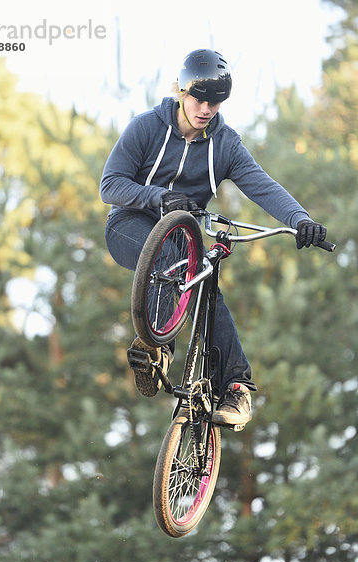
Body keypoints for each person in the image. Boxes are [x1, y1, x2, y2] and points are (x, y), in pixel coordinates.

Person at [100, 48, 326, 429]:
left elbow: (263, 186)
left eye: (215, 102)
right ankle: (157, 348)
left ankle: (236, 387)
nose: (205, 109)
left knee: (207, 285)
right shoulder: (146, 128)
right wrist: (157, 196)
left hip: (184, 236)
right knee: (169, 256)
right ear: (182, 92)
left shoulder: (225, 145)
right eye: (198, 99)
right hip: (129, 226)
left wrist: (300, 219)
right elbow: (110, 185)